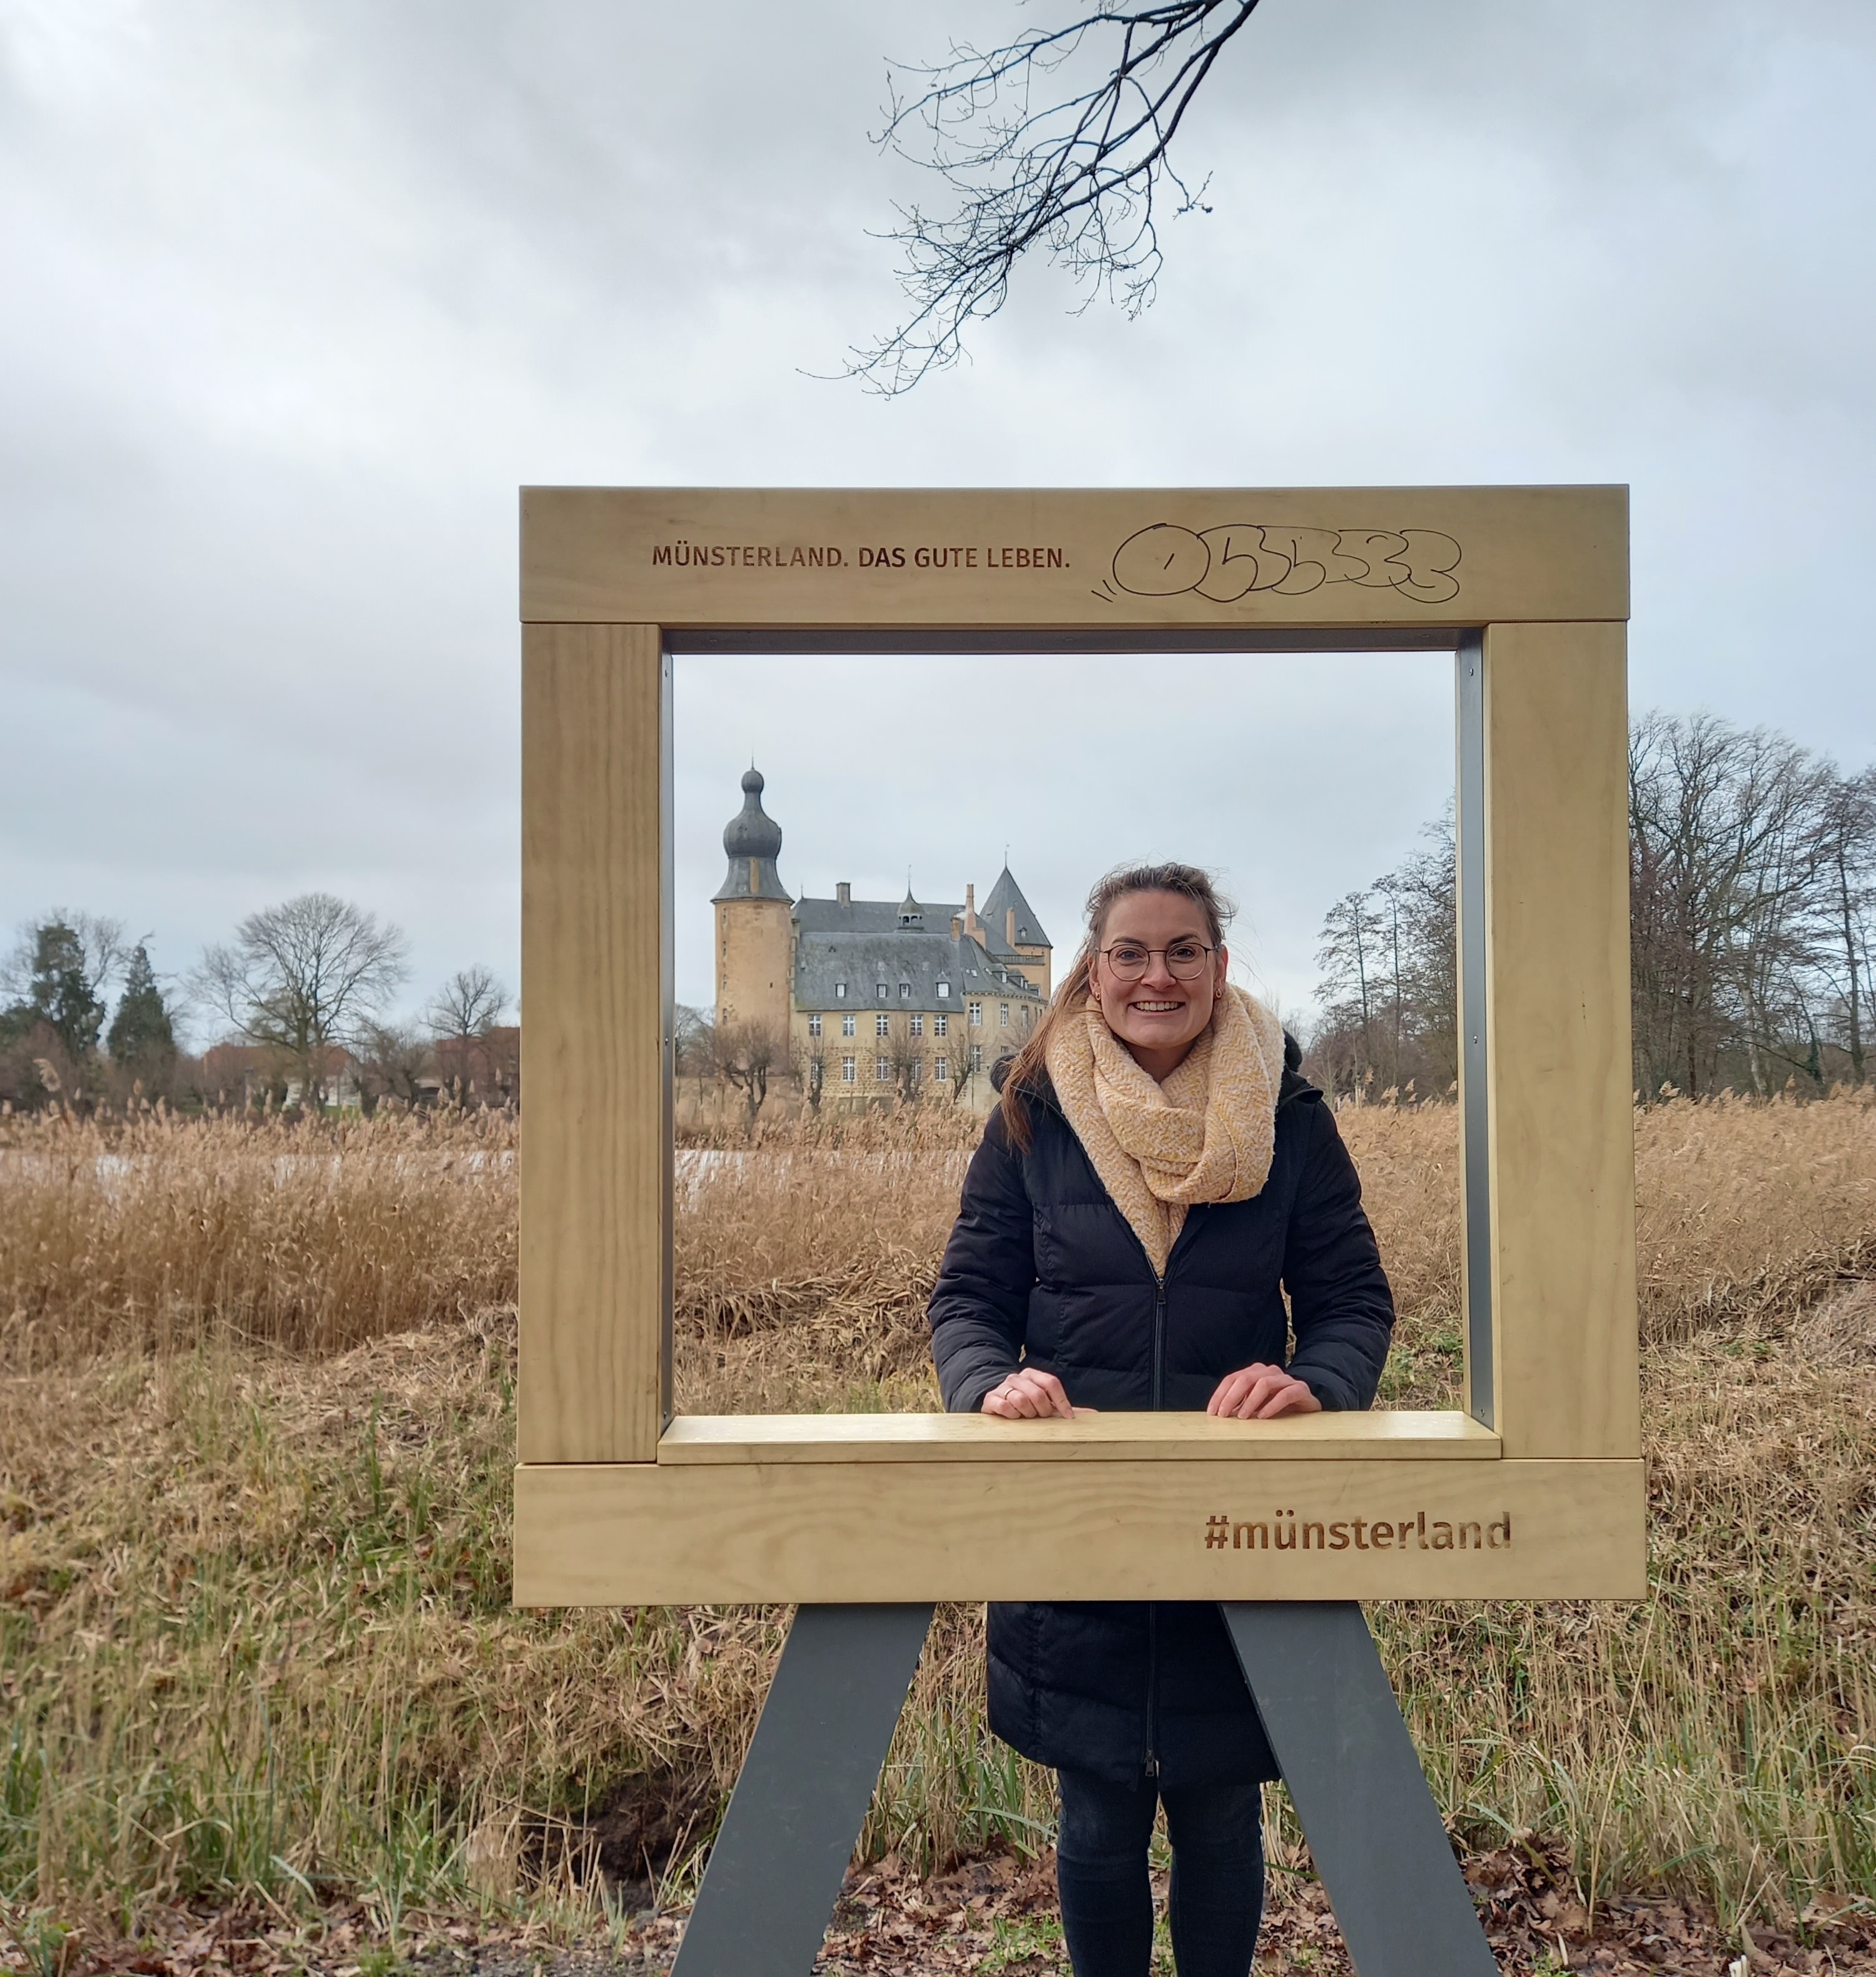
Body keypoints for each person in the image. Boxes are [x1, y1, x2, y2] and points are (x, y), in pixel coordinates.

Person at [927, 862, 1395, 1977]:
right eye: (1130, 953)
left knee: (1223, 1819)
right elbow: (967, 1299)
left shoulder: (1287, 1116)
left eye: (1183, 949)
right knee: (1093, 1824)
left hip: (1242, 1529)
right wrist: (990, 1380)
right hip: (1076, 1527)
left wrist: (1318, 1383)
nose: (1157, 974)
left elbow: (1352, 1302)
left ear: (1220, 968)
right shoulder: (1031, 1116)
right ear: (1092, 975)